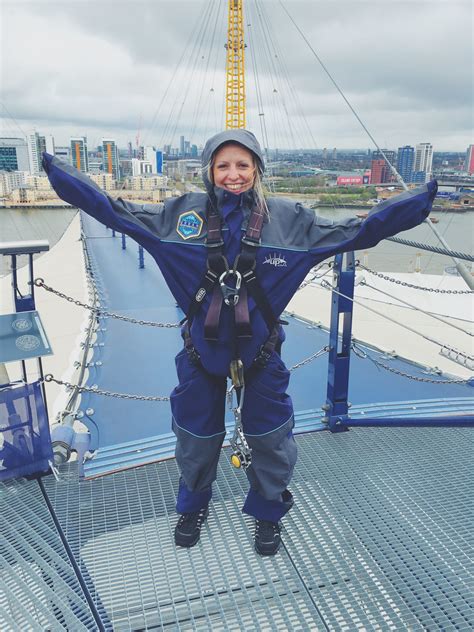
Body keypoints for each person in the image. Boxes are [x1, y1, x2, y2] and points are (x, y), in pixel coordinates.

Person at [43, 129, 437, 555]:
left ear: (257, 169)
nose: (234, 175)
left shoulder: (289, 223)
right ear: (209, 171)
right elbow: (114, 212)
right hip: (201, 353)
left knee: (270, 436)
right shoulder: (179, 218)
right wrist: (60, 174)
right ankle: (193, 505)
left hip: (261, 354)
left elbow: (358, 231)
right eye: (223, 166)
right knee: (195, 435)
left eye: (243, 165)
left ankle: (268, 512)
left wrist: (417, 202)